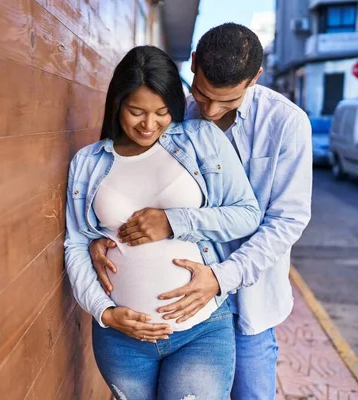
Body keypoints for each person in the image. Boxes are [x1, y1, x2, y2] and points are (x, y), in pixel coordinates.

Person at [90, 23, 312, 399]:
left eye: (227, 103)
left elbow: (286, 220)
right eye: (202, 94)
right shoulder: (172, 113)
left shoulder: (286, 124)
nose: (209, 111)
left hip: (250, 301)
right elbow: (137, 184)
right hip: (174, 313)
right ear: (193, 63)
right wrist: (102, 236)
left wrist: (221, 276)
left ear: (254, 78)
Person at [64, 45, 261, 399]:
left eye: (162, 112)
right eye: (135, 111)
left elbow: (247, 213)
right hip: (121, 339)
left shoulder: (202, 139)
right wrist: (104, 311)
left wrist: (174, 221)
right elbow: (77, 242)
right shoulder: (87, 162)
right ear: (117, 104)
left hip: (199, 329)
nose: (148, 124)